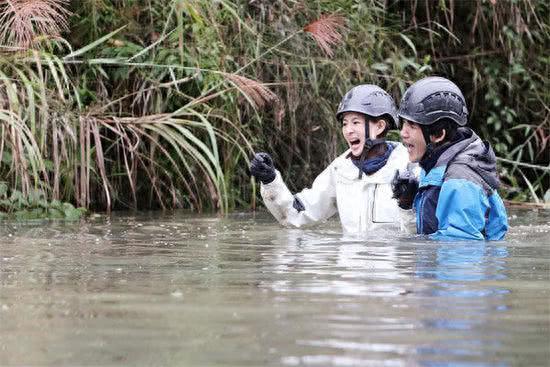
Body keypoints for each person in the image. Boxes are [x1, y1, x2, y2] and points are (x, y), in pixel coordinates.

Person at [249, 84, 413, 233]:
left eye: (355, 122)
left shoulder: (410, 166)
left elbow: (424, 232)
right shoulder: (340, 169)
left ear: (380, 126)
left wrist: (407, 202)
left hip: (393, 264)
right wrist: (270, 181)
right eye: (345, 123)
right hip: (350, 264)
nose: (348, 130)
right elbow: (297, 216)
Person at [392, 76, 508, 240]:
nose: (403, 133)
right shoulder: (434, 164)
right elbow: (426, 232)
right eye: (403, 123)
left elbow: (459, 252)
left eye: (412, 126)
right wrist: (407, 203)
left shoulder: (460, 180)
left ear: (438, 134)